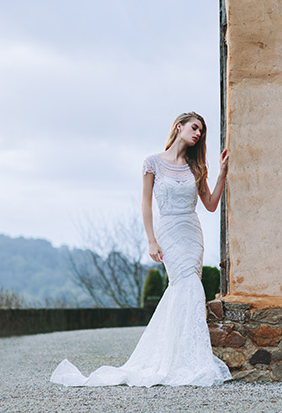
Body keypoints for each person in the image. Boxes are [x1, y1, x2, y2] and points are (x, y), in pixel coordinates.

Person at [50, 112, 231, 387]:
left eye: (201, 131)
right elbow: (146, 204)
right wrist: (151, 240)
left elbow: (210, 204)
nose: (198, 134)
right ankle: (176, 357)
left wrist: (222, 173)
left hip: (192, 232)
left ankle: (188, 356)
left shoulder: (197, 166)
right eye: (194, 127)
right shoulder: (152, 162)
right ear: (179, 127)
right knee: (183, 284)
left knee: (190, 285)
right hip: (168, 231)